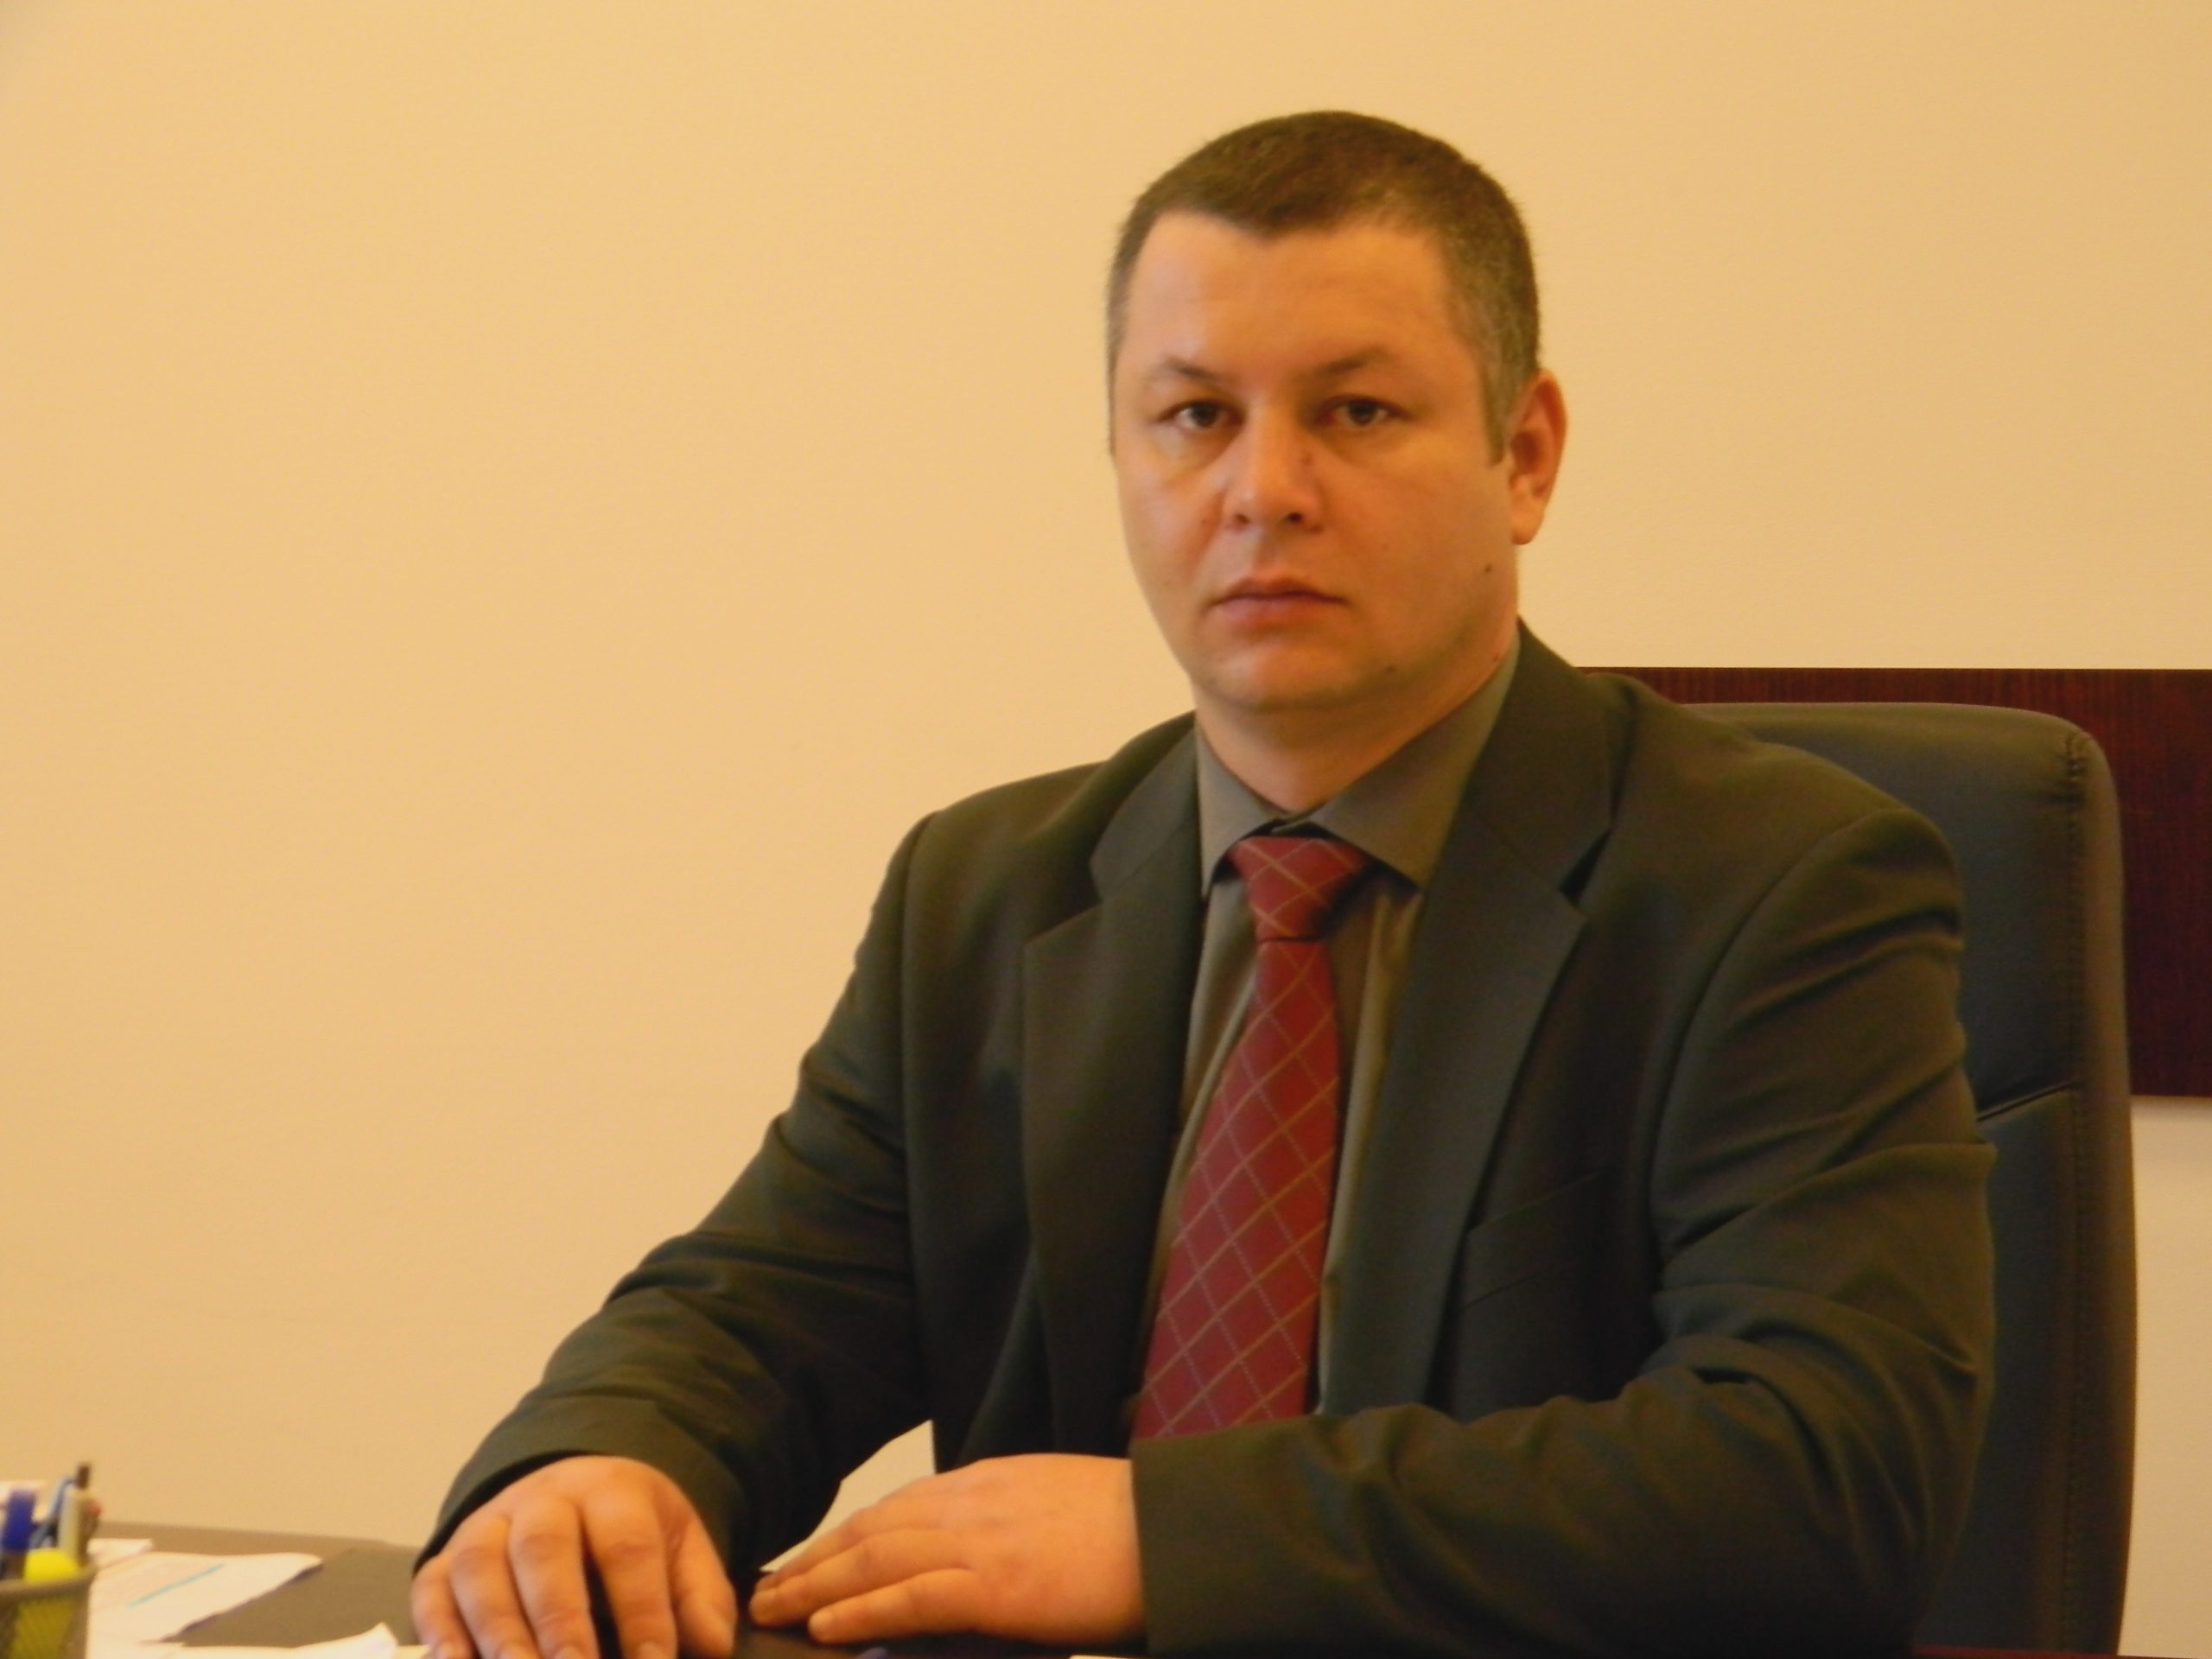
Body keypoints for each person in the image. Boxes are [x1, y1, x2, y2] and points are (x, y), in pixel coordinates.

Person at [410, 111, 1994, 1659]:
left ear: (1523, 458)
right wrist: (603, 1462)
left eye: (1356, 412)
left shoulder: (1777, 886)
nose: (1262, 489)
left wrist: (1169, 1540)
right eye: (1193, 416)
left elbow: (1822, 1477)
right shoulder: (988, 892)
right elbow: (759, 1309)